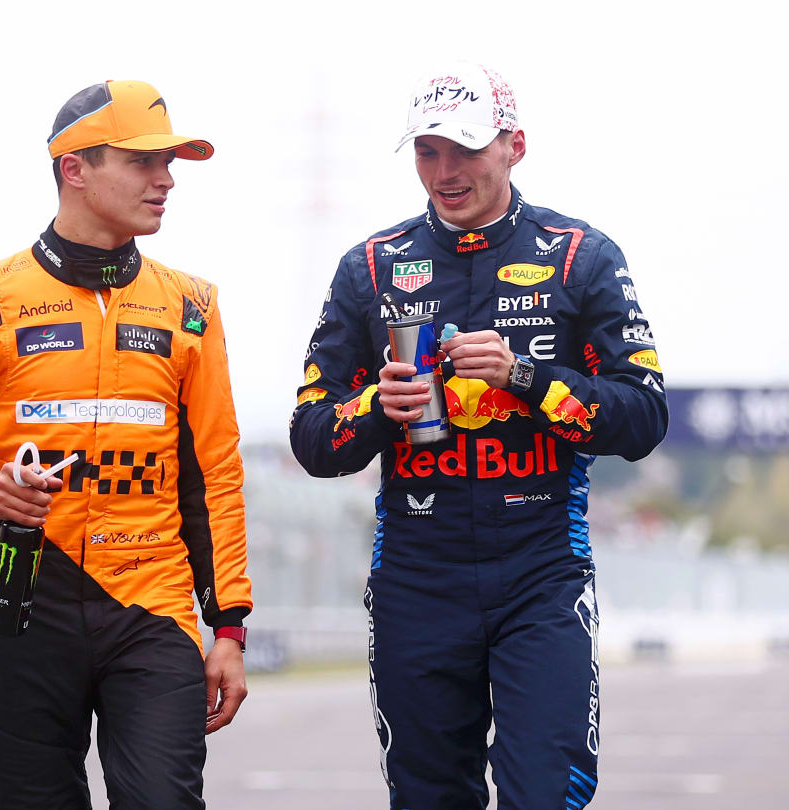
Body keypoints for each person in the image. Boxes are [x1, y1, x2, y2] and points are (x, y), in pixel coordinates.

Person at [289, 63, 668, 808]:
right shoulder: (370, 268)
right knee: (429, 798)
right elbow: (310, 437)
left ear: (513, 146)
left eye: (464, 149)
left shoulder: (580, 257)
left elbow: (645, 416)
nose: (446, 170)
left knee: (545, 793)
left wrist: (526, 378)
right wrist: (375, 406)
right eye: (428, 151)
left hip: (540, 573)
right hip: (416, 577)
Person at [0, 79, 253, 809]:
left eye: (171, 161)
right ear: (75, 168)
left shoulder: (193, 306)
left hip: (150, 602)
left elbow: (214, 475)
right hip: (22, 593)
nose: (167, 178)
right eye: (145, 160)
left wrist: (230, 628)